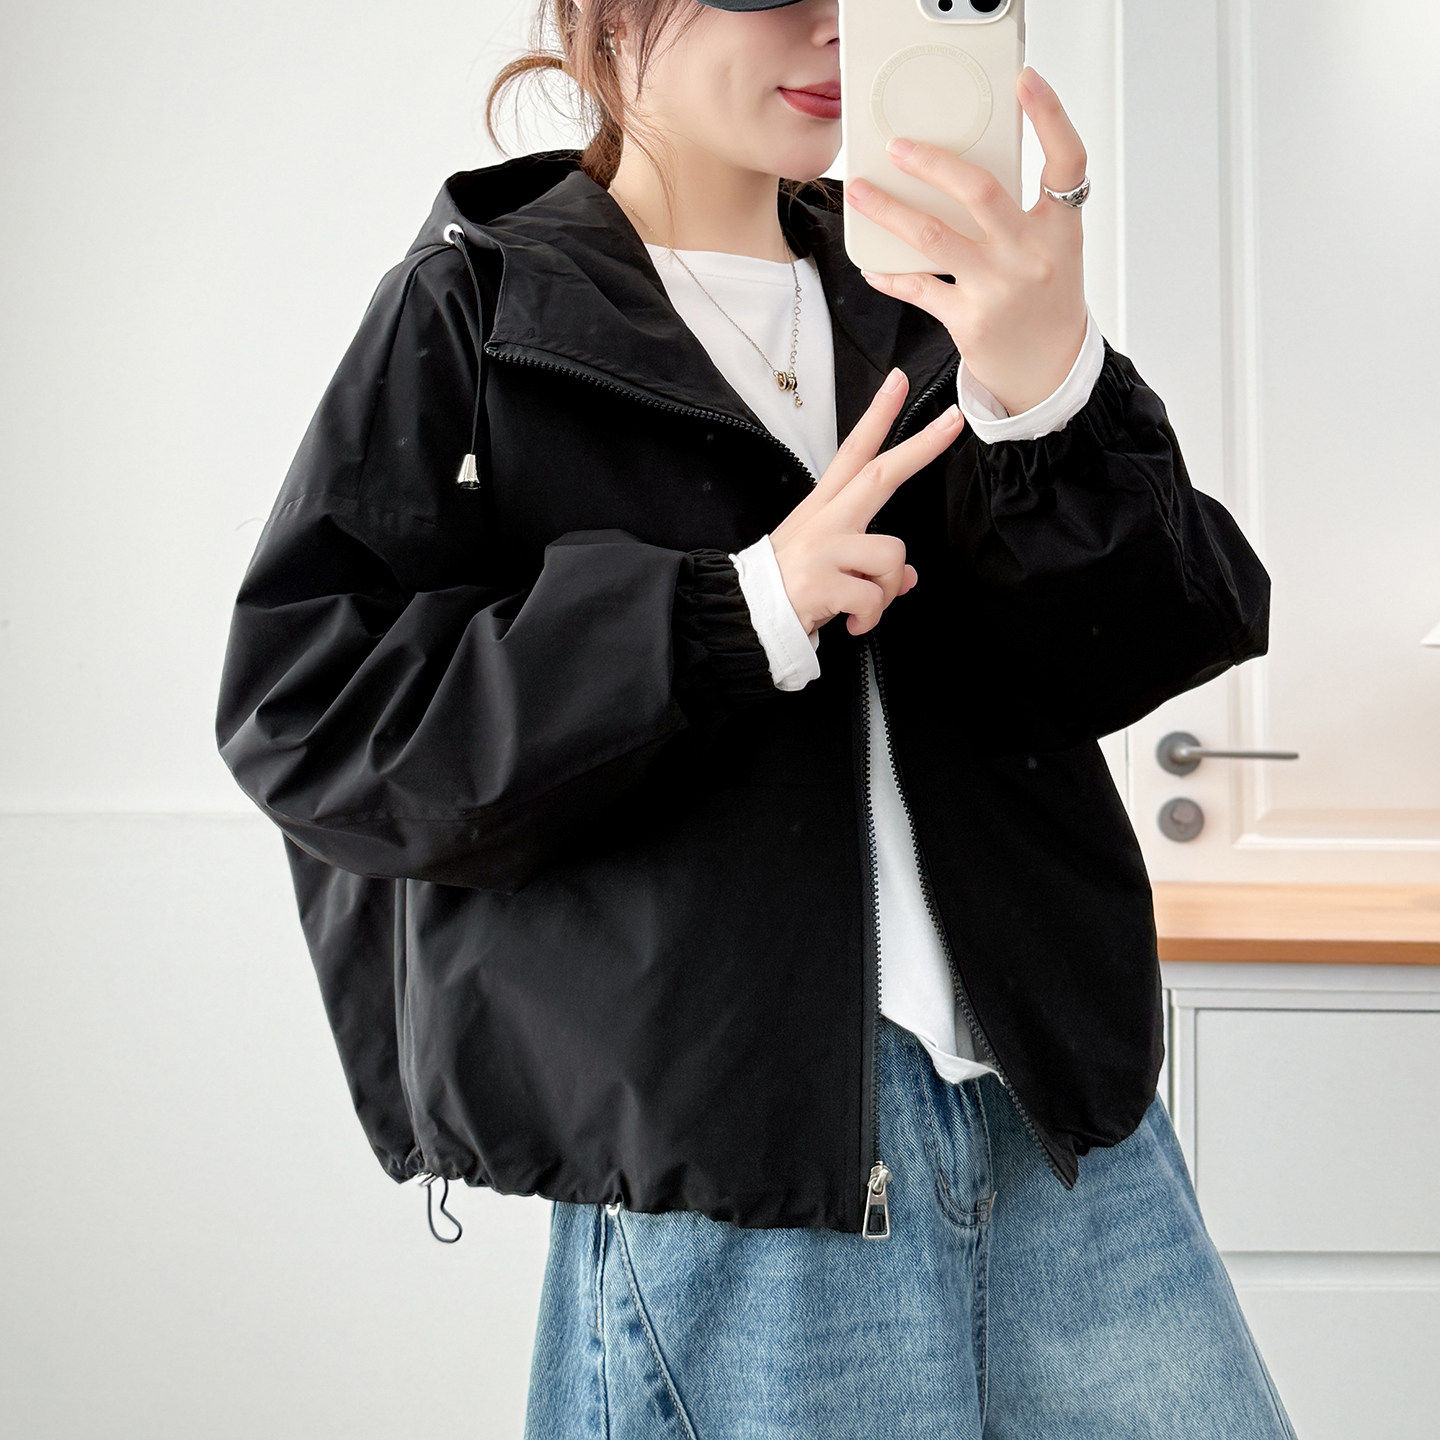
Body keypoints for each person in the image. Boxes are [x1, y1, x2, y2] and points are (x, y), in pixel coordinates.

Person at [215, 0, 1297, 1434]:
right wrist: (736, 611)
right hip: (747, 1177)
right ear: (612, 18)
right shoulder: (479, 311)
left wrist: (1052, 389)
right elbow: (314, 717)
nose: (833, 26)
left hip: (1062, 1127)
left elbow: (1151, 638)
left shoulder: (921, 287)